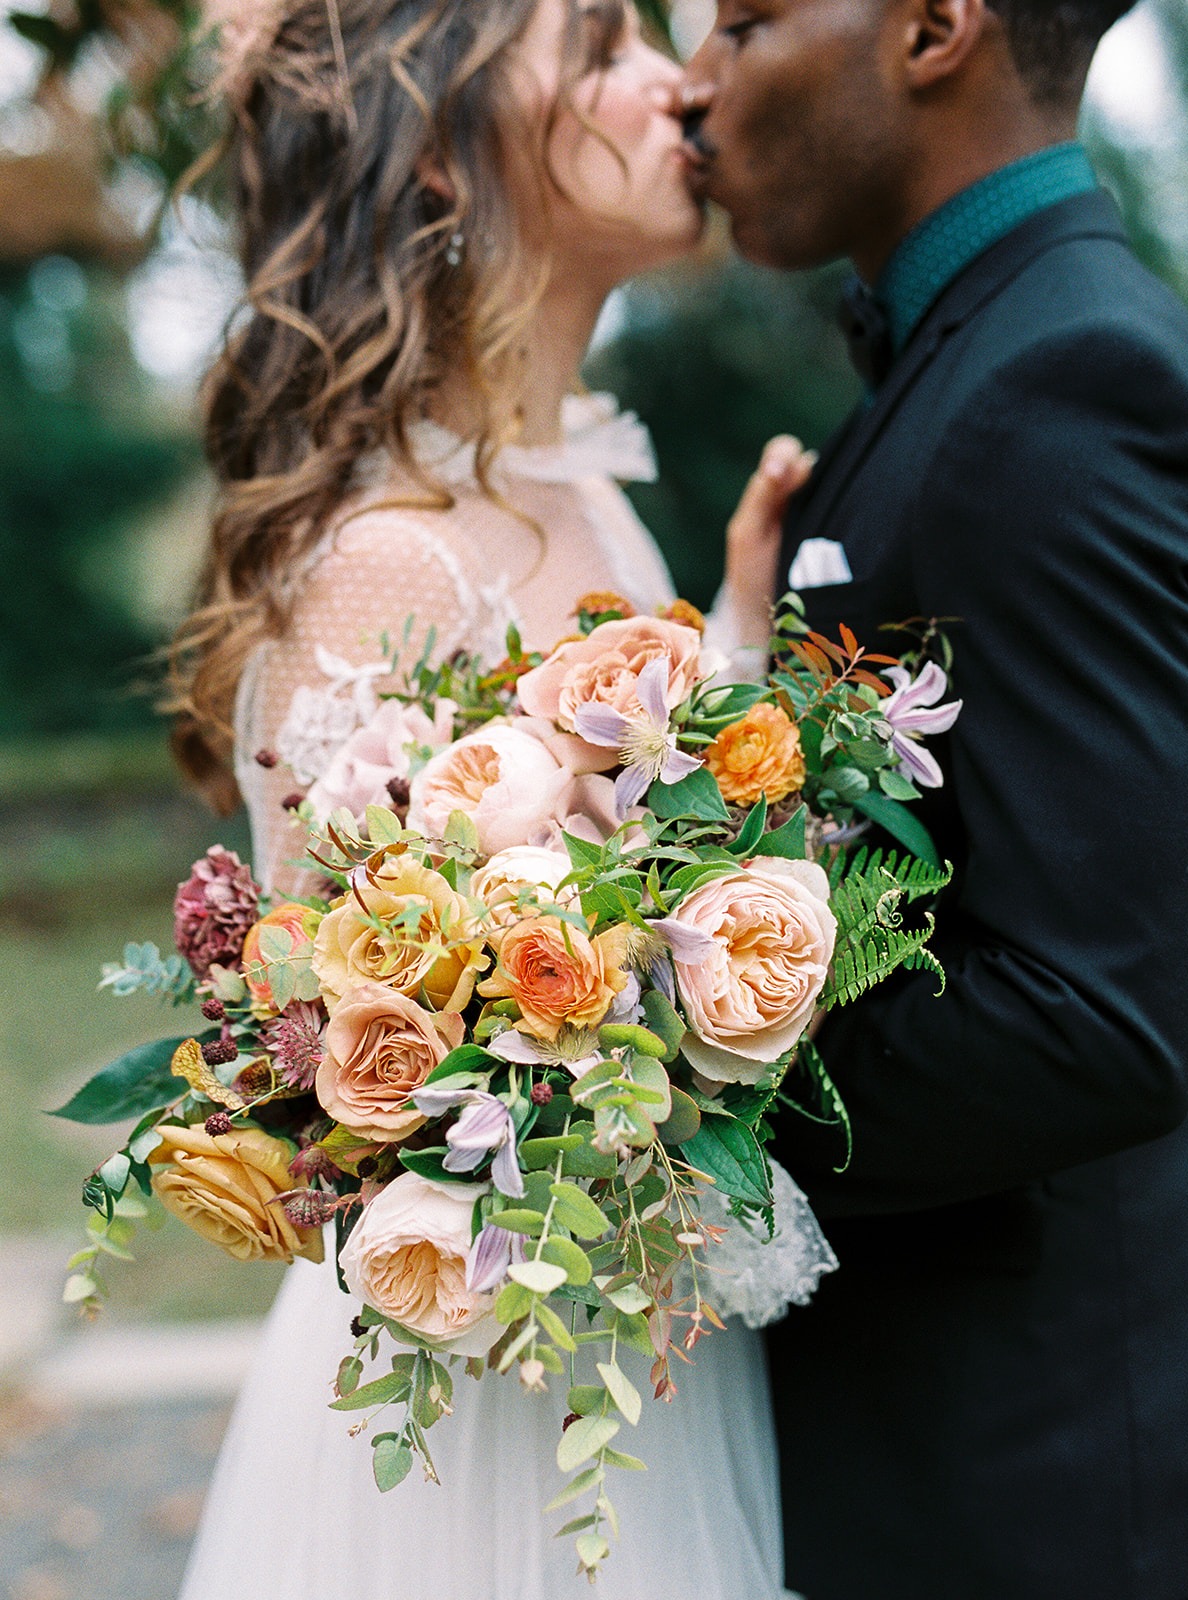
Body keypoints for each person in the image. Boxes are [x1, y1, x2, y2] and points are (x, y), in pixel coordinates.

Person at [167, 2, 820, 1596]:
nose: (676, 81)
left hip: (632, 1348)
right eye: (601, 46)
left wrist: (732, 655)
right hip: (475, 1395)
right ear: (449, 164)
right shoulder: (393, 555)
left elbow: (639, 830)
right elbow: (350, 1042)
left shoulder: (585, 486)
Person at [681, 0, 1188, 1596]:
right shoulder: (978, 358)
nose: (694, 83)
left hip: (1029, 1486)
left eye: (748, 18)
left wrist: (653, 1082)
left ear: (934, 26)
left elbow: (1099, 1017)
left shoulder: (1063, 381)